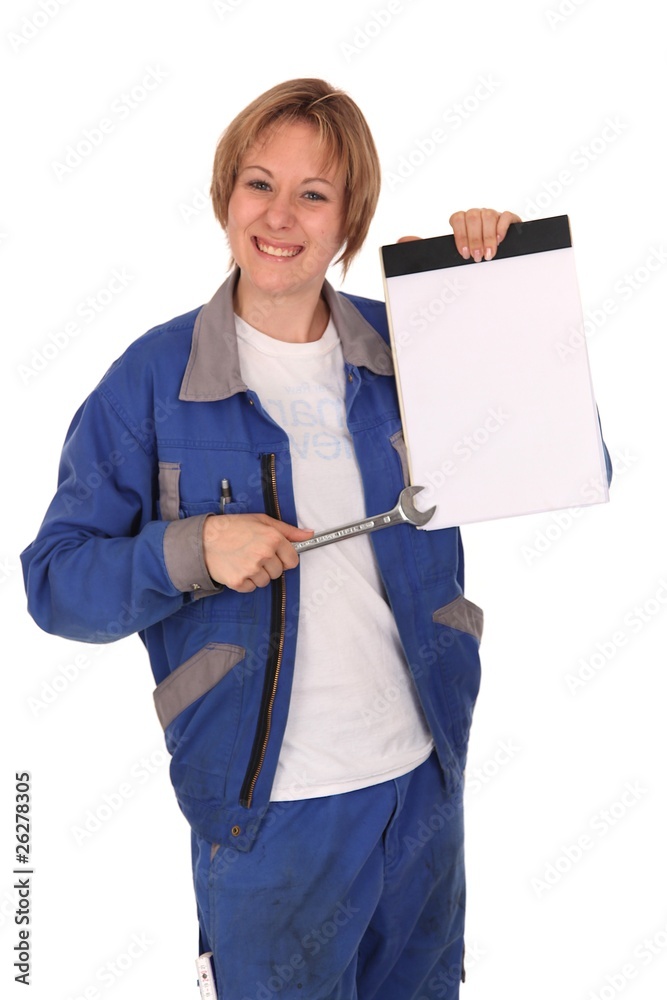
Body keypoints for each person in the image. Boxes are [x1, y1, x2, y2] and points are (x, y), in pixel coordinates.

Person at [20, 78, 606, 999]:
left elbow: (569, 461)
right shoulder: (152, 381)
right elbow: (56, 585)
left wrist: (495, 290)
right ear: (225, 196)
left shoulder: (408, 345)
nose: (279, 217)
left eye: (314, 194)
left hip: (420, 788)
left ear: (348, 221)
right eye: (259, 183)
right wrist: (193, 549)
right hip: (268, 820)